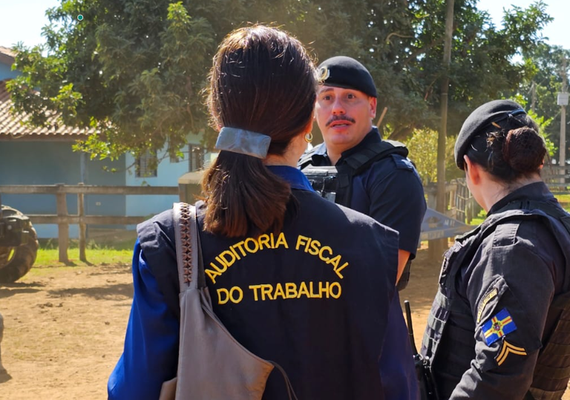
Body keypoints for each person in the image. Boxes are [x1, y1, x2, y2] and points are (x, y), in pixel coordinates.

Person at [108, 25, 418, 400]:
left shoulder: (169, 245)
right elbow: (396, 385)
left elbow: (135, 389)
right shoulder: (371, 242)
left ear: (217, 120)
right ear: (309, 121)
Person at [421, 99, 570, 399]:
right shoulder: (557, 227)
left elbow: (498, 377)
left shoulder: (511, 245)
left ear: (472, 170)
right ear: (536, 162)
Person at [299, 56, 426, 286]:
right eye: (327, 97)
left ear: (372, 106)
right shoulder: (297, 168)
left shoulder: (394, 175)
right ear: (314, 110)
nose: (337, 108)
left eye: (350, 97)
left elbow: (378, 283)